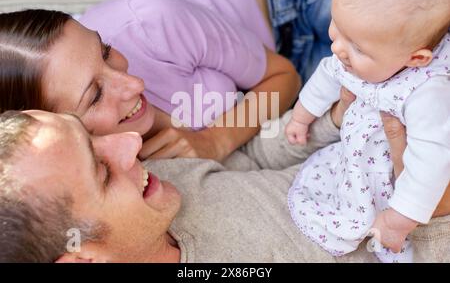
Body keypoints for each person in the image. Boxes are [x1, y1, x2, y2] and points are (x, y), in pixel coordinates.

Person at [1, 100, 449, 262]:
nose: (129, 142)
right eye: (102, 171)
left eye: (91, 136)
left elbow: (257, 159)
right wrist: (437, 211)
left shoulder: (163, 183)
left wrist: (332, 117)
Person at [0, 0, 350, 162]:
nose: (135, 84)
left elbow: (281, 75)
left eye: (105, 50)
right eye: (95, 96)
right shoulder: (89, 171)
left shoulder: (149, 23)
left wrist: (215, 140)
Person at [285, 0, 450, 262]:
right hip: (353, 159)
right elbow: (327, 74)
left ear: (416, 58)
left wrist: (400, 217)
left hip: (393, 181)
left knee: (392, 234)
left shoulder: (428, 93)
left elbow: (432, 160)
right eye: (337, 26)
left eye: (358, 48)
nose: (338, 48)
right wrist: (301, 116)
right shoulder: (357, 47)